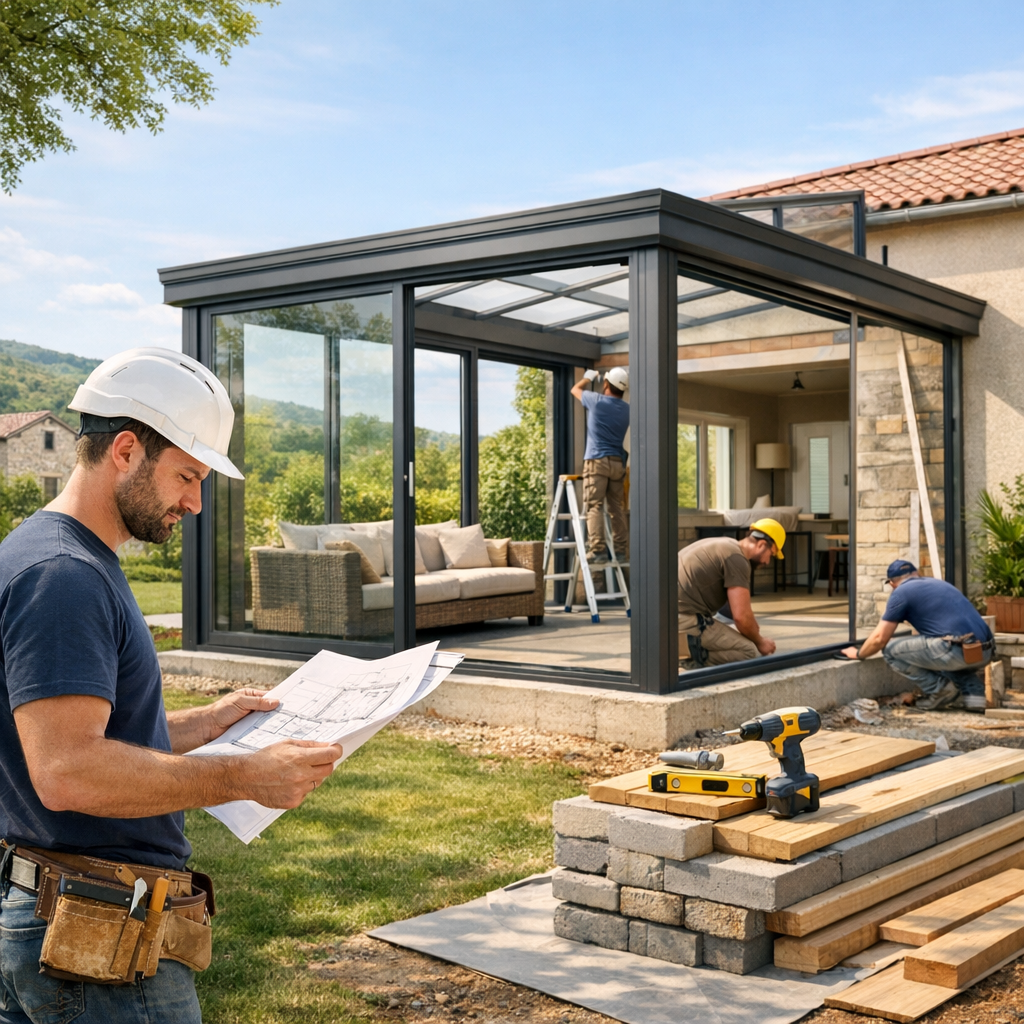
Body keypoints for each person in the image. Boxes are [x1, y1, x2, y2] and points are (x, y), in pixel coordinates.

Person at [0, 348, 343, 1023]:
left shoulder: (44, 553)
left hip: (55, 915)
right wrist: (243, 777)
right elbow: (67, 770)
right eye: (186, 475)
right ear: (126, 450)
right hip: (95, 936)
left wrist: (202, 723)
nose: (194, 501)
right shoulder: (64, 576)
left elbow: (73, 734)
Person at [840, 559, 994, 711]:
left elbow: (879, 639)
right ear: (917, 573)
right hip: (984, 651)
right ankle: (975, 698)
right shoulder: (940, 584)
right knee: (938, 651)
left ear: (892, 584)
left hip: (956, 651)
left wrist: (859, 653)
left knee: (890, 650)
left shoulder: (901, 592)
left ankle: (939, 690)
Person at [677, 519, 786, 667]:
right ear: (761, 545)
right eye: (771, 555)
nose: (767, 562)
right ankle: (683, 656)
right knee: (748, 651)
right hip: (682, 619)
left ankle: (681, 647)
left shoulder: (726, 545)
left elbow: (737, 611)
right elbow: (741, 617)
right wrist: (760, 641)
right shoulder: (737, 559)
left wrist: (751, 627)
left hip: (664, 616)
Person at [570, 366, 630, 564]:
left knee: (594, 505)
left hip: (597, 462)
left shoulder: (596, 401)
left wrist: (587, 378)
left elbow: (574, 390)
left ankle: (598, 551)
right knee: (616, 507)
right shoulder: (627, 409)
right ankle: (621, 551)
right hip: (617, 464)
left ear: (606, 384)